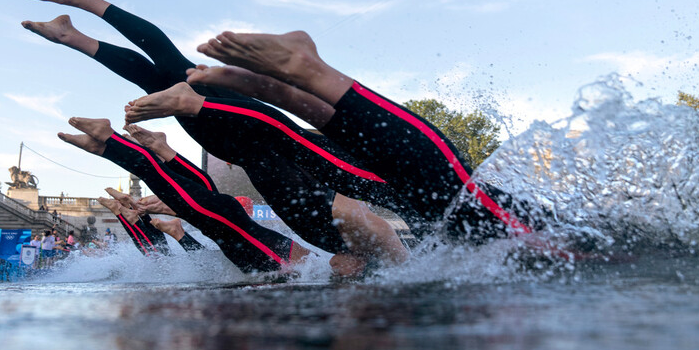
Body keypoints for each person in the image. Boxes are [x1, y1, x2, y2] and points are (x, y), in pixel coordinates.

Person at [24, 0, 408, 269]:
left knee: (162, 81)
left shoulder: (339, 235)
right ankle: (86, 2)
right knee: (178, 72)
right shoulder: (369, 225)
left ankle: (71, 35)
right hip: (273, 143)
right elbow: (367, 221)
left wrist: (345, 266)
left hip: (253, 155)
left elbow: (343, 254)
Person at [180, 29, 544, 245]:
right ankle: (311, 72)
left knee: (442, 199)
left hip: (421, 214)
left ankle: (280, 84)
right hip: (532, 230)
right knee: (455, 196)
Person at [60, 116, 310, 274]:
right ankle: (110, 139)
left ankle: (121, 148)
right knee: (157, 177)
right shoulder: (310, 267)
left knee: (174, 188)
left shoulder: (294, 264)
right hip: (232, 220)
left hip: (230, 226)